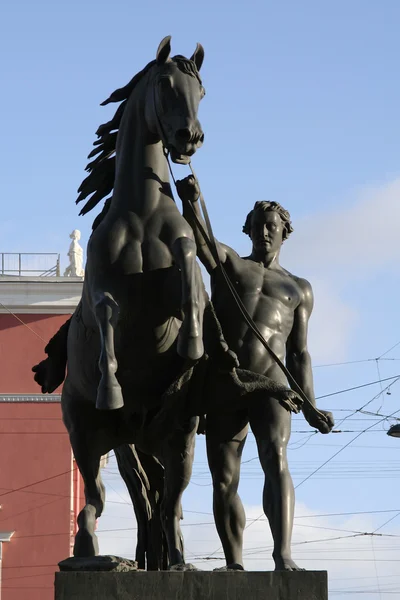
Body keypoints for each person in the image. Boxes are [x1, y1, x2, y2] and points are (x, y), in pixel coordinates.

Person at [176, 176, 334, 571]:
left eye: (272, 226)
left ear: (284, 233)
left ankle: (283, 555)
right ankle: (234, 563)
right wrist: (193, 201)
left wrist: (311, 405)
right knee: (224, 478)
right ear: (247, 230)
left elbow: (299, 353)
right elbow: (198, 238)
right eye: (258, 226)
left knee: (275, 458)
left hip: (274, 387)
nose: (264, 232)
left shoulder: (299, 288)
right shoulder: (230, 265)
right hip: (226, 381)